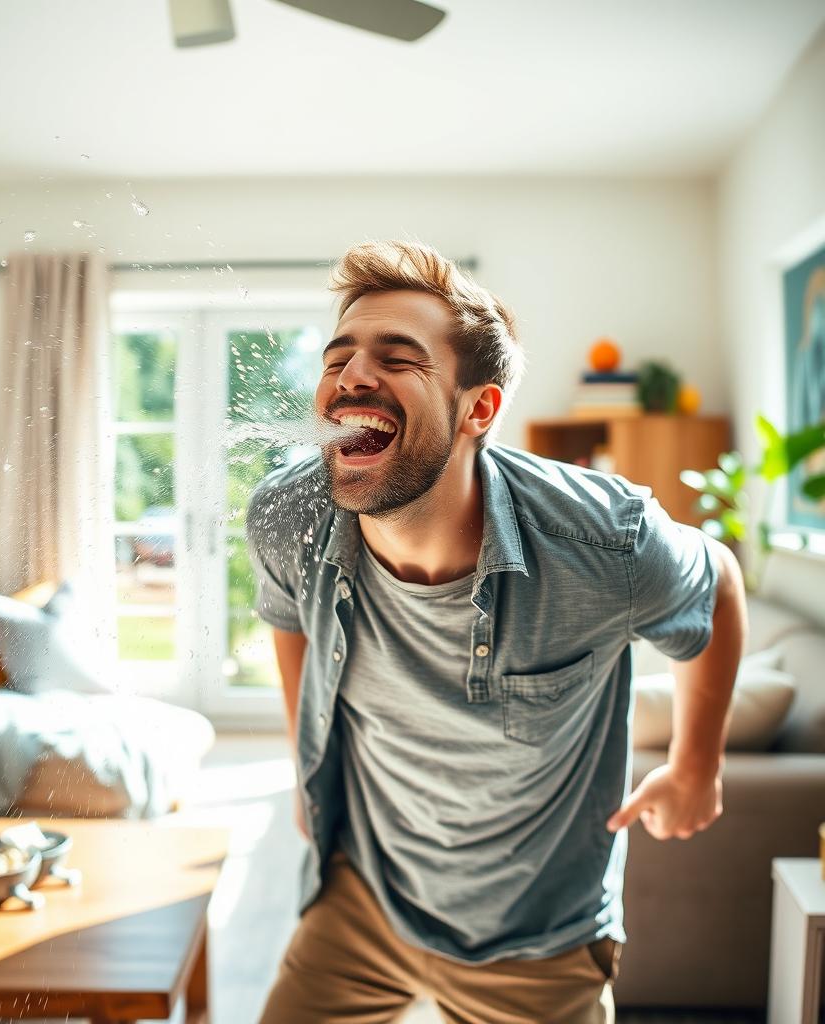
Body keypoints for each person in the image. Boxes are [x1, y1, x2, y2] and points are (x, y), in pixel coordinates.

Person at [245, 240, 747, 1023]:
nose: (351, 377)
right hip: (364, 899)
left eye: (398, 357)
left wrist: (696, 765)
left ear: (479, 409)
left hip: (536, 943)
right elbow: (289, 622)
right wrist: (303, 764)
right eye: (338, 357)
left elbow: (716, 582)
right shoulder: (290, 514)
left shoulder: (608, 542)